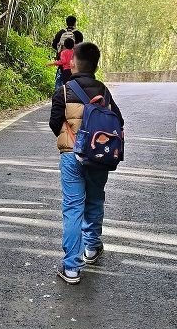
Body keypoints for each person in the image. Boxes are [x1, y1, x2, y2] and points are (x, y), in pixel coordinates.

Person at [49, 41, 124, 285]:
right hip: (99, 156)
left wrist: (71, 135)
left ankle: (71, 267)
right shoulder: (104, 90)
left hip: (71, 155)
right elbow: (118, 121)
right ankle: (91, 248)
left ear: (73, 63)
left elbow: (53, 123)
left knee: (73, 206)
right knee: (94, 199)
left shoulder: (63, 90)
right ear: (96, 65)